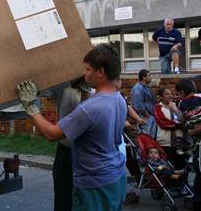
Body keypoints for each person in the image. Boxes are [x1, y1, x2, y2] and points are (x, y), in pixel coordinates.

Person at [17, 44, 127, 211]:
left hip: (94, 183)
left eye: (87, 69)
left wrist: (31, 107)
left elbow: (51, 134)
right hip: (115, 176)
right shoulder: (118, 98)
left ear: (100, 72)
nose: (84, 73)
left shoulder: (91, 108)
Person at [47, 77, 90, 211]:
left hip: (85, 155)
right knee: (64, 199)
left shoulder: (96, 90)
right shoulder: (65, 88)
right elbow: (46, 91)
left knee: (82, 200)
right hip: (66, 152)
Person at [175, 78, 201, 209]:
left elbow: (180, 121)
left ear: (182, 92)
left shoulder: (182, 103)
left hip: (199, 142)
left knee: (200, 172)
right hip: (197, 140)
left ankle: (197, 202)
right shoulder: (200, 97)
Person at [154, 87, 186, 169]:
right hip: (165, 142)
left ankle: (182, 181)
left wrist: (175, 110)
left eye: (171, 94)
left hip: (179, 142)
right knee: (168, 166)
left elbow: (183, 119)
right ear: (161, 96)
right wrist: (178, 124)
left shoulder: (176, 105)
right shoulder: (158, 108)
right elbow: (163, 124)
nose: (170, 96)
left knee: (180, 165)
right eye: (167, 94)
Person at [131, 69, 157, 137]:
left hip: (151, 116)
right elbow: (138, 104)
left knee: (151, 137)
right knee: (145, 137)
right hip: (144, 117)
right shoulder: (137, 89)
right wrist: (147, 114)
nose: (151, 77)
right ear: (143, 77)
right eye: (149, 75)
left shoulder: (147, 87)